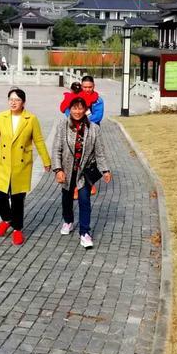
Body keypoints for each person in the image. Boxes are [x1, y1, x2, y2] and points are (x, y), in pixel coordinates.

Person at [0, 88, 51, 245]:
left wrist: (46, 160)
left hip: (21, 165)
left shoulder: (31, 119)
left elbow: (38, 140)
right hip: (3, 164)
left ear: (23, 102)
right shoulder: (2, 117)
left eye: (17, 100)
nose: (13, 102)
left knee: (18, 199)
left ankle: (17, 229)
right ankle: (7, 219)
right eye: (11, 99)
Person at [51, 96, 112, 249]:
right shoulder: (62, 125)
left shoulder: (94, 128)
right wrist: (58, 169)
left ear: (85, 110)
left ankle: (85, 232)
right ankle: (68, 220)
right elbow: (57, 149)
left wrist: (105, 170)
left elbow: (100, 153)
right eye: (74, 108)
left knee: (84, 200)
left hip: (84, 171)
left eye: (80, 108)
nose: (77, 111)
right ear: (70, 109)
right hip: (67, 169)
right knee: (67, 197)